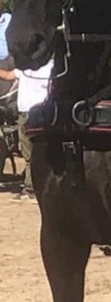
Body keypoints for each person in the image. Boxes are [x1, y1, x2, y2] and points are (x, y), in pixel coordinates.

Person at [0, 59, 53, 201]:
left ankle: (31, 189)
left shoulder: (50, 68)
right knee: (28, 151)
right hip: (25, 115)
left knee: (33, 152)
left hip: (39, 114)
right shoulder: (25, 67)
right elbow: (8, 75)